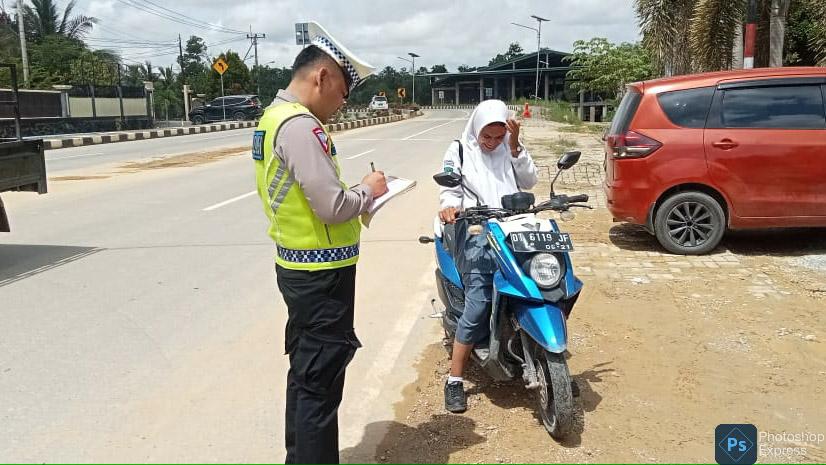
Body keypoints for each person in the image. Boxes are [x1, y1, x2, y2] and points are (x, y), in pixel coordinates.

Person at [252, 22, 387, 464]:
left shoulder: (272, 119)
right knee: (320, 389)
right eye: (345, 92)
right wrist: (370, 190)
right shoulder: (298, 126)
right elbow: (331, 206)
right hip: (320, 278)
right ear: (322, 77)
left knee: (307, 379)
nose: (344, 103)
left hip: (301, 268)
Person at [438, 99, 539, 413]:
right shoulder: (459, 150)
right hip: (475, 231)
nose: (491, 143)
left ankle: (549, 358)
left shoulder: (509, 150)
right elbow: (449, 188)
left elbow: (530, 181)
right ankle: (454, 379)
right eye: (487, 137)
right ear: (477, 128)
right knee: (479, 302)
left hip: (513, 229)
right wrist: (450, 206)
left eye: (498, 136)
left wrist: (514, 145)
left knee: (542, 286)